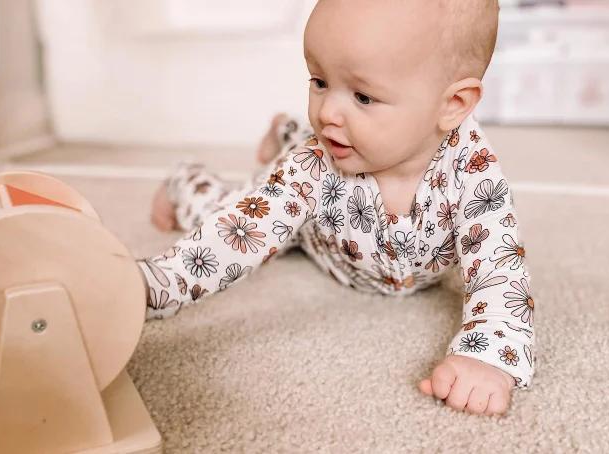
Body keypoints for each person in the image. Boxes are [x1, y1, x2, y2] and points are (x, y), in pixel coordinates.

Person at [142, 0, 535, 417]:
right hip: (312, 232)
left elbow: (499, 267)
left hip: (400, 262)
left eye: (363, 96)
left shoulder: (473, 170)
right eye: (319, 81)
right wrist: (149, 288)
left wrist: (489, 355)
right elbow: (237, 232)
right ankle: (187, 180)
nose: (328, 112)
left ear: (452, 105)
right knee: (225, 206)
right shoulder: (316, 161)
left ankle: (284, 128)